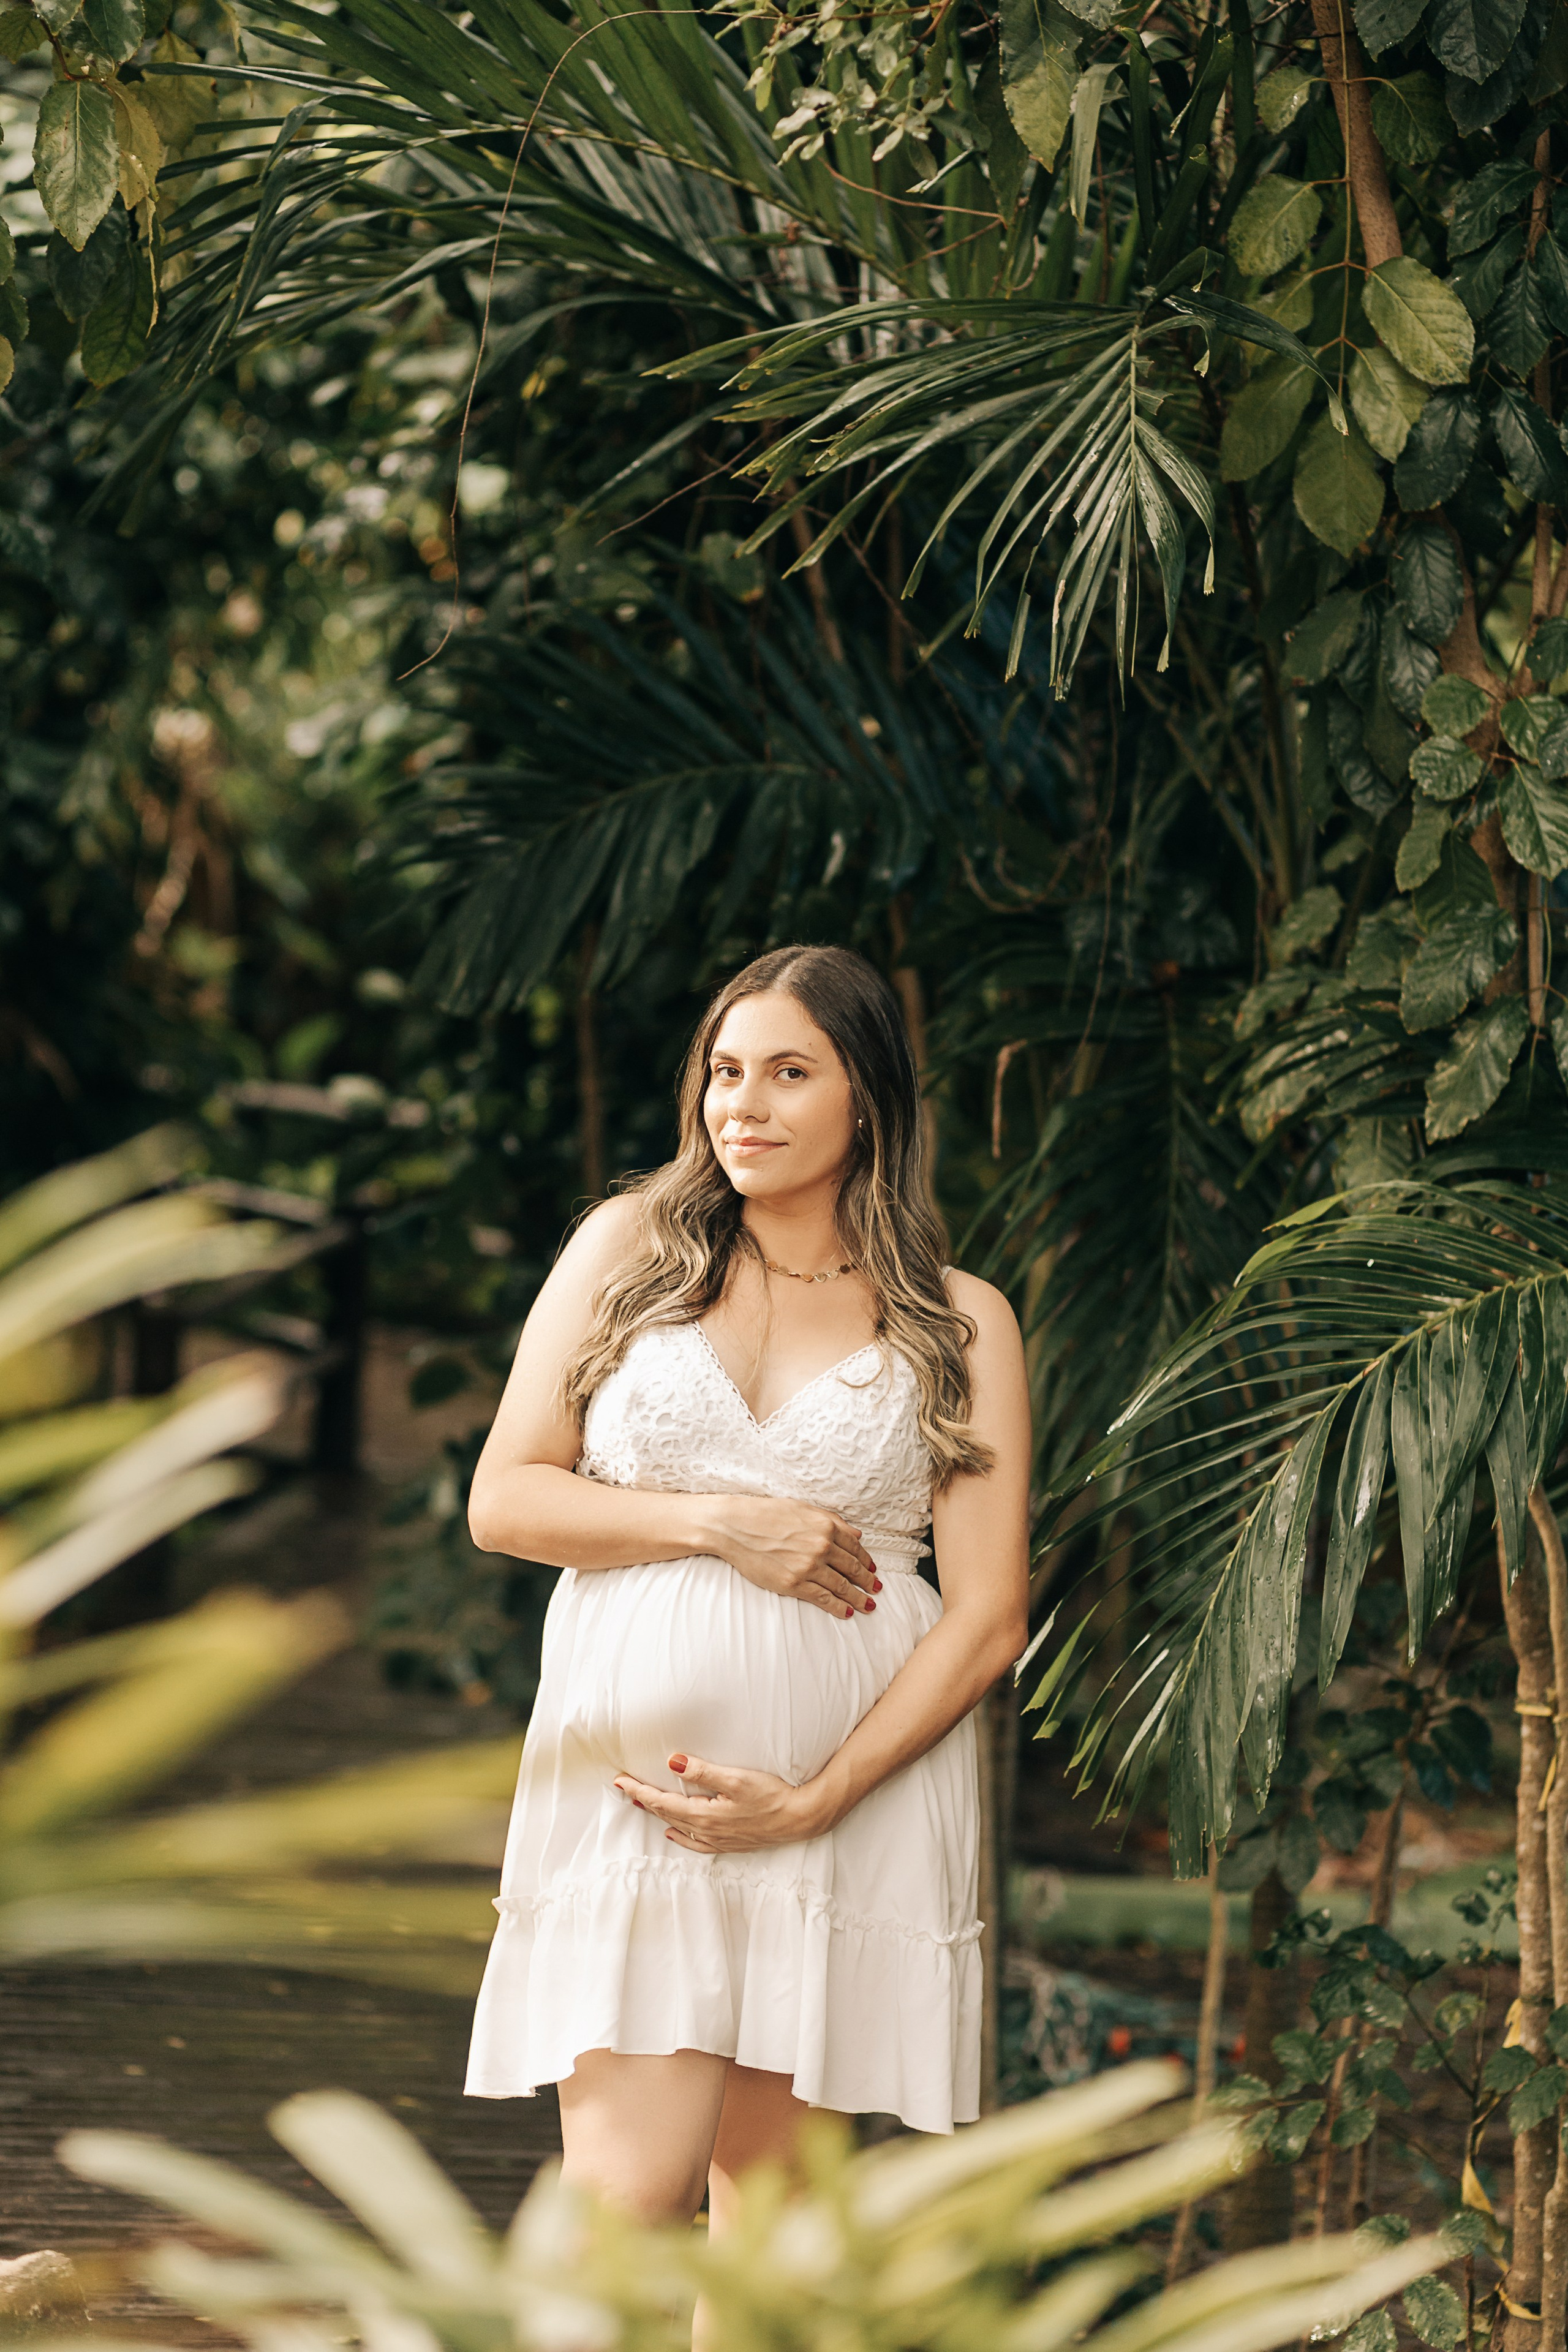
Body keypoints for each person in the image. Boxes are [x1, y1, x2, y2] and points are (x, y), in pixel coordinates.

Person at [464, 941, 1031, 2234]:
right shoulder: (626, 1251)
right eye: (724, 1072)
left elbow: (988, 1614)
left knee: (771, 2243)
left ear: (866, 1101)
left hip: (846, 1805)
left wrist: (813, 1800)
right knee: (620, 2204)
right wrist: (720, 1524)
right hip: (642, 1800)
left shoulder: (958, 1321)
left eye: (788, 1073)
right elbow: (506, 1501)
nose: (743, 1106)